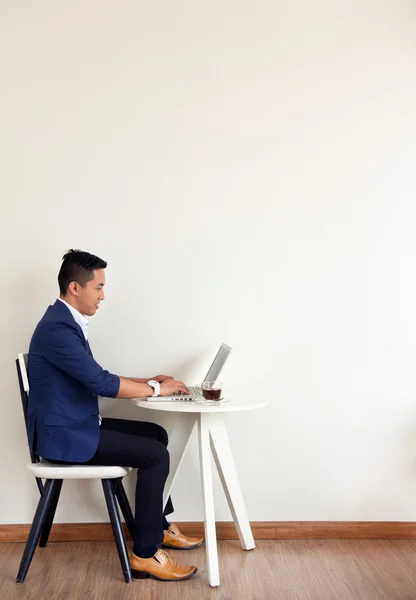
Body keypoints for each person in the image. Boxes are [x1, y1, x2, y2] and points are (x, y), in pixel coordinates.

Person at [27, 249, 202, 582]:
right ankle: (146, 554)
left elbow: (97, 374)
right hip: (66, 437)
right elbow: (100, 383)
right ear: (75, 288)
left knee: (155, 435)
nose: (103, 296)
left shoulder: (64, 323)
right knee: (155, 455)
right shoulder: (58, 330)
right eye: (99, 287)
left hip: (75, 425)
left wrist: (151, 381)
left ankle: (156, 526)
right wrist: (155, 390)